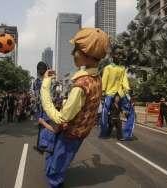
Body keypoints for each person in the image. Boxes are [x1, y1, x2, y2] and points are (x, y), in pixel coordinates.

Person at [40, 28, 109, 187]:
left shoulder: (81, 86)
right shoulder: (96, 78)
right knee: (57, 158)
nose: (73, 54)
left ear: (87, 54)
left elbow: (62, 118)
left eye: (76, 50)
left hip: (70, 134)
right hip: (80, 132)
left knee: (55, 170)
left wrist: (45, 85)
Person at [101, 45, 135, 139]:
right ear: (112, 55)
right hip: (109, 93)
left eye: (121, 54)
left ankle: (127, 134)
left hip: (121, 93)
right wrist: (103, 92)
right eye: (118, 54)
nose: (120, 56)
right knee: (104, 112)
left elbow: (124, 81)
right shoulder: (108, 68)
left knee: (131, 111)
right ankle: (104, 132)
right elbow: (104, 80)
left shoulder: (122, 68)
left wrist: (128, 91)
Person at [33, 61, 56, 154]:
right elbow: (54, 95)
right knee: (47, 125)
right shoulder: (51, 80)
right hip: (49, 106)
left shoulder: (36, 82)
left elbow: (36, 96)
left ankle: (46, 146)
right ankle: (42, 146)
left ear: (38, 71)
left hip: (41, 107)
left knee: (43, 125)